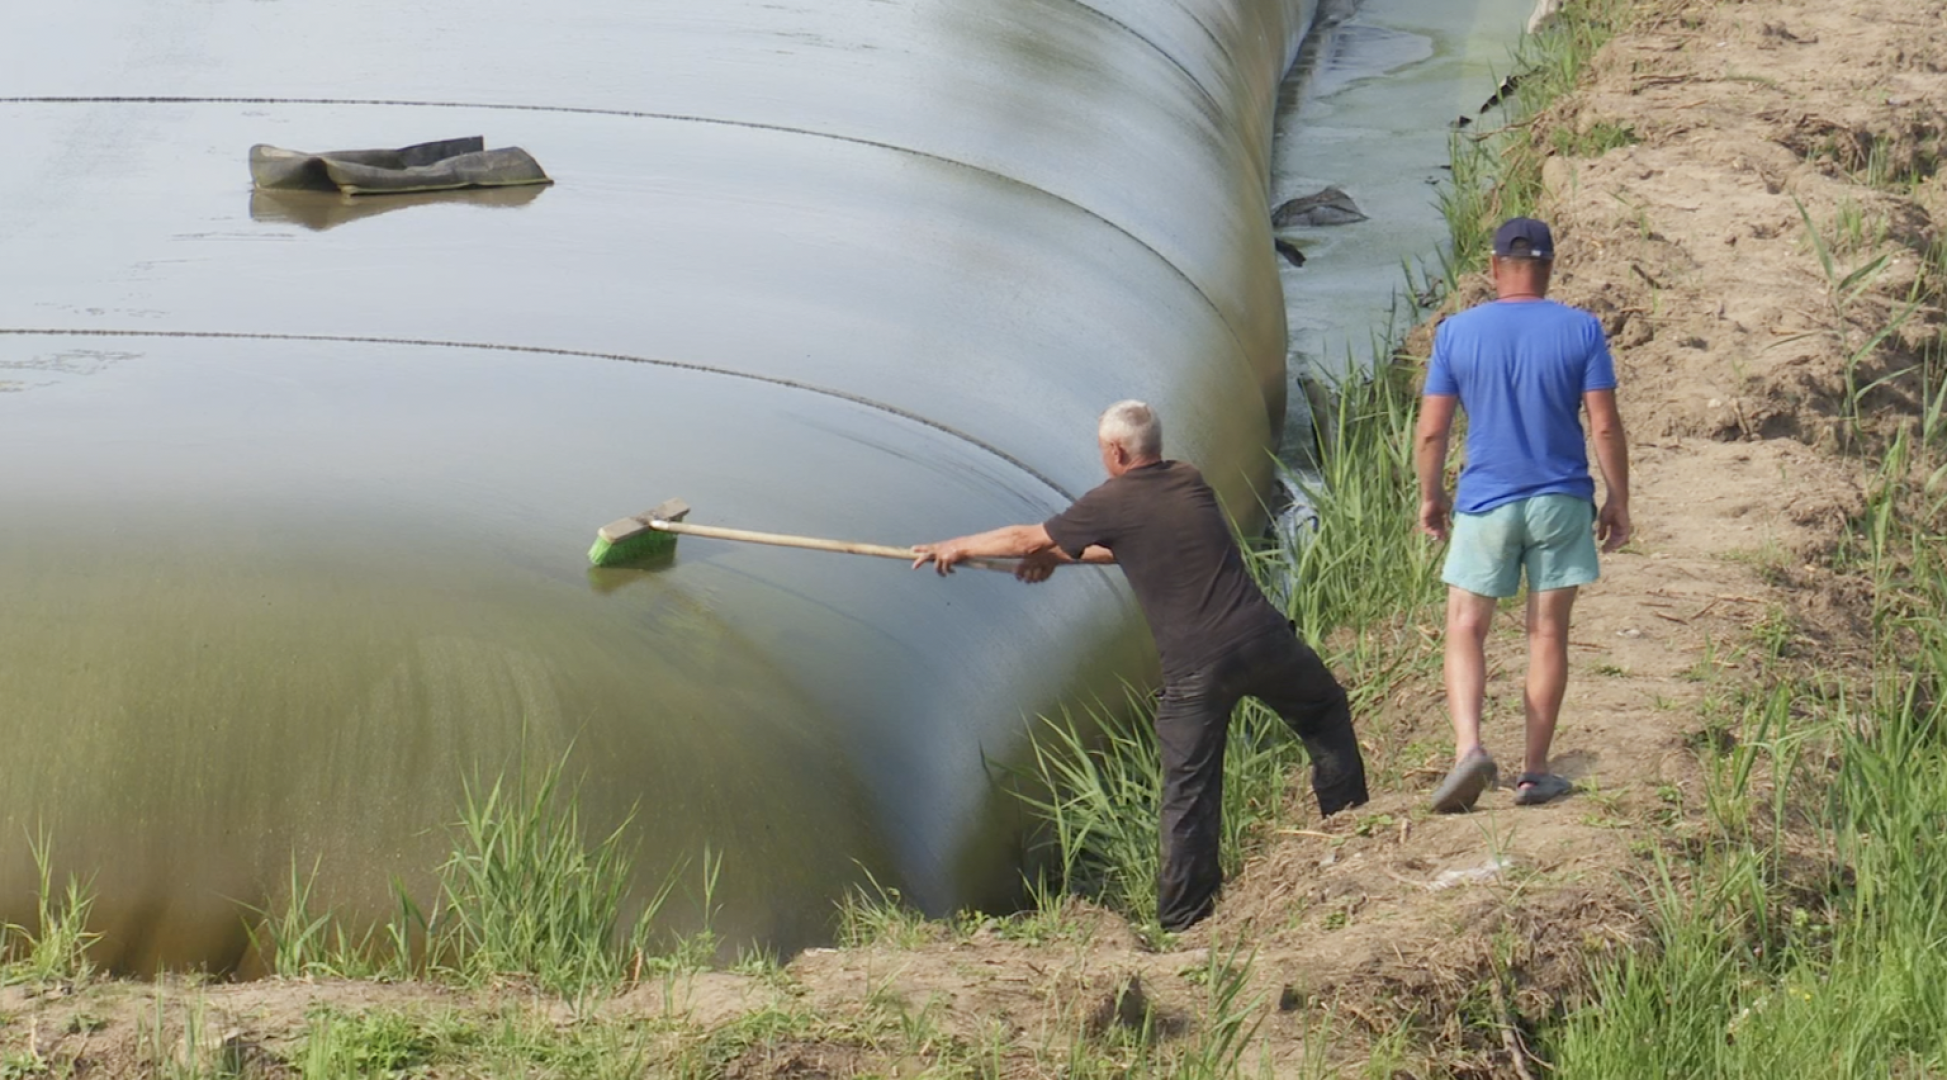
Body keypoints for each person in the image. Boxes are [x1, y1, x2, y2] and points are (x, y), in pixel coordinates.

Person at [913, 400, 1369, 931]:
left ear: (1115, 451)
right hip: (1263, 638)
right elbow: (1131, 545)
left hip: (1197, 669)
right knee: (1325, 712)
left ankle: (1183, 923)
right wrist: (1056, 558)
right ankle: (1350, 831)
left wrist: (955, 546)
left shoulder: (1112, 499)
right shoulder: (1187, 479)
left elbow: (1024, 538)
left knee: (1188, 794)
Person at [1415, 217, 1631, 813]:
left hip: (1486, 499)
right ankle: (1535, 772)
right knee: (1546, 633)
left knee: (1465, 625)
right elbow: (1605, 423)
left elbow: (1432, 431)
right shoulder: (1582, 329)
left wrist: (1431, 497)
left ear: (1492, 268)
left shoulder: (1457, 333)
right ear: (1550, 268)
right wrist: (1618, 498)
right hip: (1561, 497)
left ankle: (1469, 751)